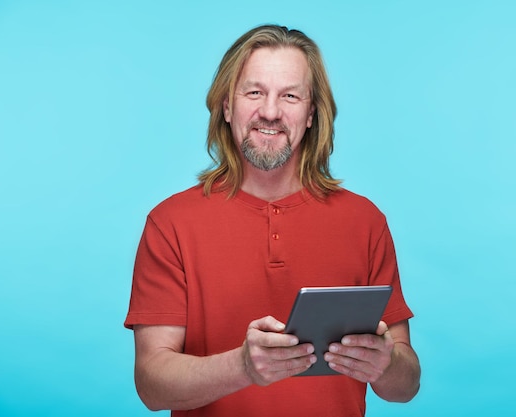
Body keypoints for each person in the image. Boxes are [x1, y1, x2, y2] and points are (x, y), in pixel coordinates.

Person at [124, 24, 421, 416]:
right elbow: (151, 385)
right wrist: (242, 366)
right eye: (254, 92)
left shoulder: (365, 221)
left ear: (312, 113)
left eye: (290, 96)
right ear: (227, 107)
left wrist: (387, 363)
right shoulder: (170, 224)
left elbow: (406, 385)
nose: (270, 111)